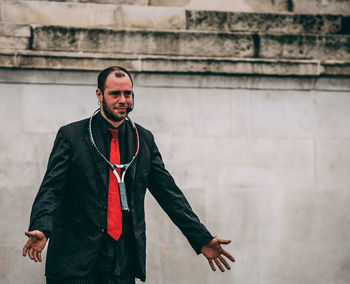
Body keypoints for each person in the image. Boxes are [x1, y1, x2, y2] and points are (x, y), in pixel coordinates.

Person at [22, 66, 235, 284]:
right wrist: (41, 226)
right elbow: (52, 188)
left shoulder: (143, 140)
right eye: (115, 94)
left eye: (128, 93)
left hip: (120, 262)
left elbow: (169, 194)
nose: (123, 100)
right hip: (74, 261)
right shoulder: (71, 136)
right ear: (99, 95)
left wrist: (201, 238)